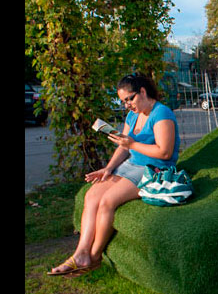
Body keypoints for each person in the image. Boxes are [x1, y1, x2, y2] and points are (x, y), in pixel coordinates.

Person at [48, 74, 181, 277]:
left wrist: (132, 144)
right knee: (91, 196)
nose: (127, 105)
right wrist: (108, 168)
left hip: (154, 168)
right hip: (131, 164)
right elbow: (123, 147)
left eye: (130, 98)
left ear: (143, 91)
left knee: (107, 201)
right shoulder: (132, 116)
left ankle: (94, 256)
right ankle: (80, 253)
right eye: (123, 101)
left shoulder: (161, 114)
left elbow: (165, 152)